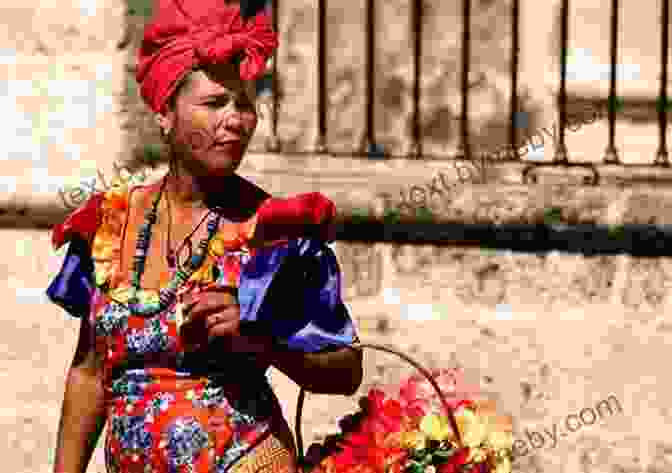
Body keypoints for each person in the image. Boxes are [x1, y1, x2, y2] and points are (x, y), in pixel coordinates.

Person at [47, 2, 363, 472]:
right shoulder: (109, 225)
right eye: (215, 103)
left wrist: (262, 341)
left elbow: (346, 370)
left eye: (246, 104)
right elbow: (91, 371)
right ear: (165, 113)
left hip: (246, 460)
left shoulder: (275, 233)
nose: (236, 120)